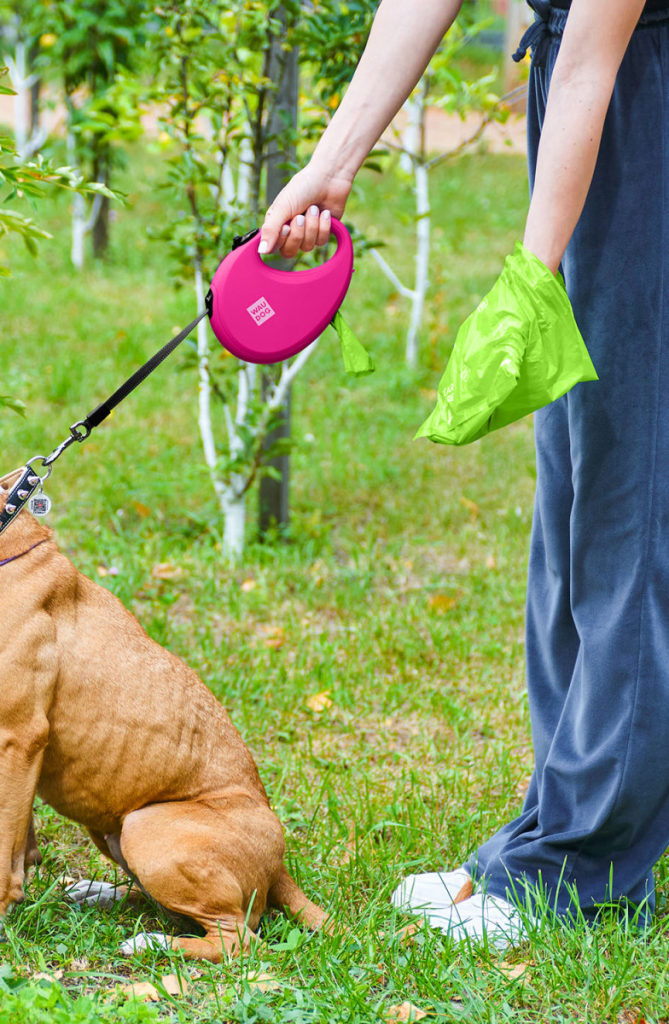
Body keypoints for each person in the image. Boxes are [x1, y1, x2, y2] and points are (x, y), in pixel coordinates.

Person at [262, 0, 669, 946]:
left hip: (636, 101)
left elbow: (591, 66)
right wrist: (333, 162)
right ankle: (556, 827)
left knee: (633, 496)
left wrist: (531, 279)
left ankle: (587, 867)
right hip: (584, 87)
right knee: (575, 491)